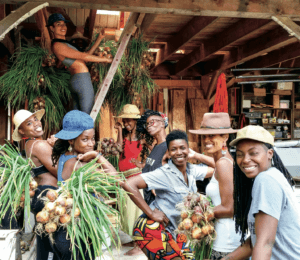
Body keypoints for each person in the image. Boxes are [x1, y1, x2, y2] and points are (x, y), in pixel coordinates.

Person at [121, 130, 214, 260]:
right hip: (157, 231)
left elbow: (220, 167)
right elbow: (128, 184)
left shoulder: (191, 170)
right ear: (169, 153)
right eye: (173, 149)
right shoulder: (163, 174)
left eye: (183, 148)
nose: (179, 152)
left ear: (188, 149)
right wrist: (151, 213)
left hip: (180, 233)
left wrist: (196, 155)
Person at [220, 125, 300, 260]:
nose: (245, 159)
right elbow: (255, 242)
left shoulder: (266, 180)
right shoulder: (272, 176)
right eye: (239, 154)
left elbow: (265, 244)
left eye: (253, 153)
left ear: (270, 154)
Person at [51, 110, 116, 259]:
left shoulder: (64, 157)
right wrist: (97, 156)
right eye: (85, 139)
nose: (91, 144)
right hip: (79, 233)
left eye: (93, 139)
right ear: (71, 140)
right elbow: (116, 182)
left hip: (66, 230)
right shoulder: (79, 164)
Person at [189, 112, 241, 260]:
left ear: (225, 137)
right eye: (204, 136)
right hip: (225, 235)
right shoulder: (224, 160)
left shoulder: (223, 164)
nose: (206, 140)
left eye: (212, 135)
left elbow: (229, 209)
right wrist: (196, 155)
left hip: (225, 239)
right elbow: (217, 164)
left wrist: (196, 213)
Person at [12, 109, 58, 260]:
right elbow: (61, 171)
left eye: (36, 119)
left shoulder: (31, 144)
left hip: (42, 194)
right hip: (48, 196)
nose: (36, 124)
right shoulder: (39, 145)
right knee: (53, 245)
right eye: (29, 123)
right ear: (22, 130)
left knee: (47, 243)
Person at [48, 13, 112, 114]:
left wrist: (99, 39)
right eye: (58, 24)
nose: (63, 27)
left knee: (78, 118)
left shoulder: (64, 44)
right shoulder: (58, 45)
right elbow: (84, 57)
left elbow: (84, 58)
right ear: (52, 28)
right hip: (82, 81)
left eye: (64, 24)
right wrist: (106, 60)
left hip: (78, 80)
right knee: (87, 117)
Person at [113, 104, 144, 255]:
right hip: (123, 177)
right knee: (126, 210)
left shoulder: (143, 137)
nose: (126, 123)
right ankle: (134, 238)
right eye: (124, 121)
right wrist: (119, 132)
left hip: (135, 177)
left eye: (128, 121)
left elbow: (152, 155)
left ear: (135, 120)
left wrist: (143, 165)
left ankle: (140, 245)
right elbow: (118, 149)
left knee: (136, 210)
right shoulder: (124, 136)